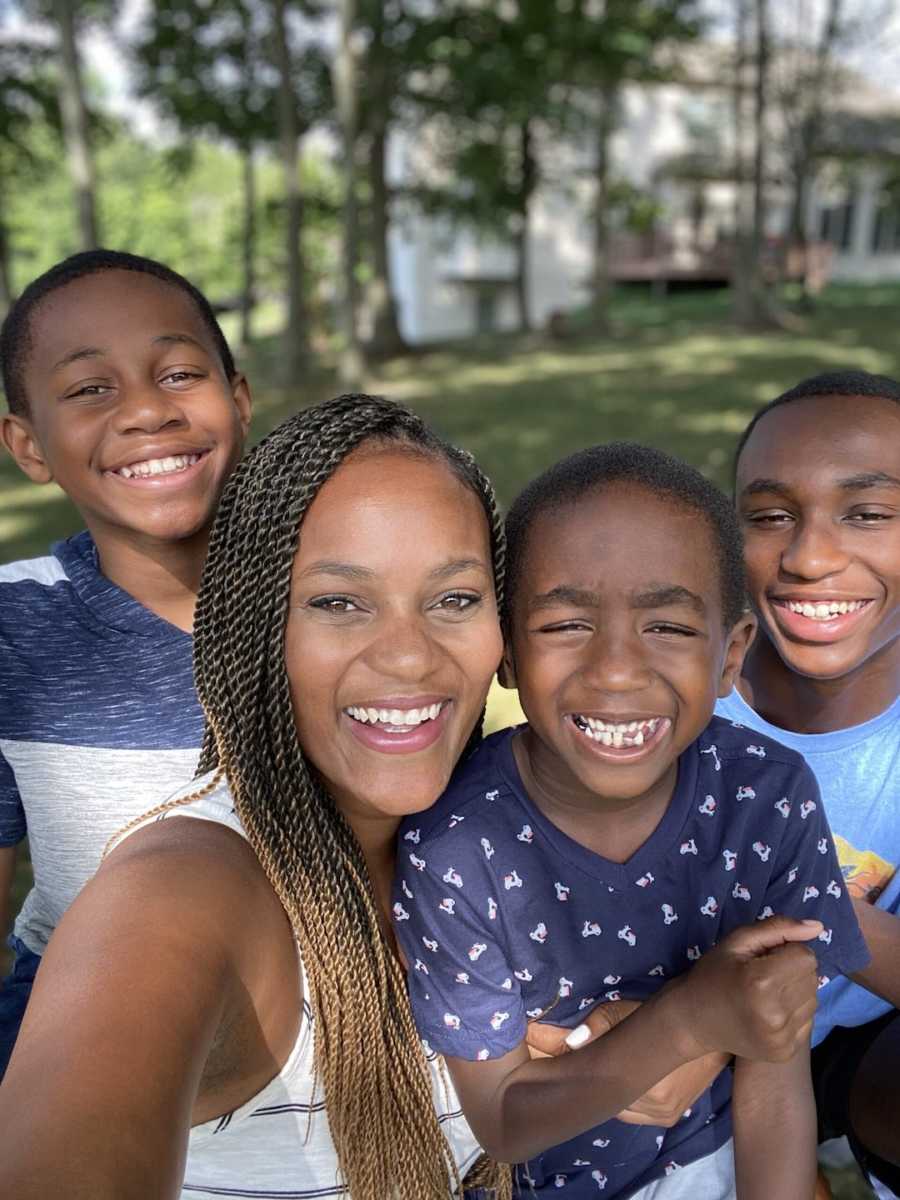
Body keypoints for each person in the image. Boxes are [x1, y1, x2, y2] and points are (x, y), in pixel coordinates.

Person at [0, 394, 509, 1199]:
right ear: (253, 626)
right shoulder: (180, 892)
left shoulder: (493, 844)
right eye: (338, 602)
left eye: (454, 599)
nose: (411, 658)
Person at [393, 442, 870, 1199]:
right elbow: (504, 1122)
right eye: (565, 626)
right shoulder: (458, 847)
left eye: (669, 629)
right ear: (507, 652)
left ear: (730, 655)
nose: (616, 669)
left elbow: (775, 1075)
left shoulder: (767, 798)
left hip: (715, 1164)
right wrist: (687, 1021)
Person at [0, 249, 252, 1076]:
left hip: (323, 1007)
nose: (147, 410)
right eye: (90, 389)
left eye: (178, 373)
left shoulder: (338, 599)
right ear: (28, 445)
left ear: (239, 400)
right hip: (72, 1023)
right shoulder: (13, 623)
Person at [718, 370, 900, 1195]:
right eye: (770, 517)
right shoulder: (684, 691)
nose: (810, 557)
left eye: (867, 514)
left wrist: (816, 905)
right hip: (695, 1030)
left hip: (864, 1043)